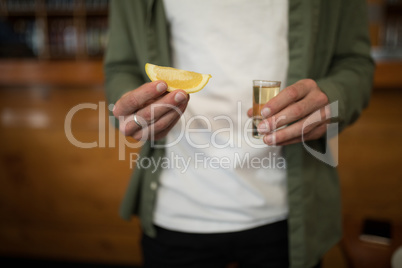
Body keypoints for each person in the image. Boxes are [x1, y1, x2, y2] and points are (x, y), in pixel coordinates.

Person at [104, 0, 375, 267]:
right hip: (177, 209)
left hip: (289, 215)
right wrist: (131, 108)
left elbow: (356, 64)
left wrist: (332, 98)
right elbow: (120, 68)